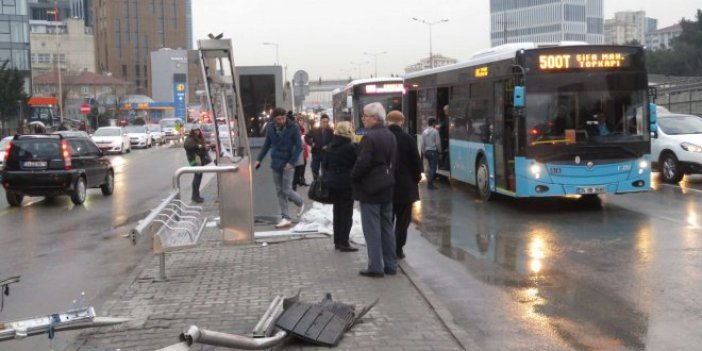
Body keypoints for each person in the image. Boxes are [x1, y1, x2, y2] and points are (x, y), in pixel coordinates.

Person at [351, 102, 398, 278]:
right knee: (387, 227)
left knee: (371, 230)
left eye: (365, 115)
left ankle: (375, 267)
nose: (363, 118)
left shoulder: (369, 137)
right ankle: (391, 264)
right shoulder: (390, 135)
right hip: (387, 187)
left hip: (370, 189)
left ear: (375, 118)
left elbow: (362, 163)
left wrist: (353, 176)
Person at [255, 107, 306, 228]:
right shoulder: (271, 127)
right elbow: (267, 144)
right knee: (279, 191)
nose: (282, 120)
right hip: (276, 163)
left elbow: (299, 147)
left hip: (288, 163)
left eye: (283, 118)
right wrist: (258, 159)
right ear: (274, 119)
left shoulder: (293, 127)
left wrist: (291, 162)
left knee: (286, 190)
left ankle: (300, 201)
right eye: (279, 119)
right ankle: (286, 218)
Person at [386, 111, 422, 259]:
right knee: (403, 221)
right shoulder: (408, 139)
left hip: (386, 187)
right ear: (402, 122)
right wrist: (415, 179)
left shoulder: (383, 138)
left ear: (387, 121)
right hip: (405, 188)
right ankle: (398, 249)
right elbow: (416, 163)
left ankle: (387, 249)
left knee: (387, 220)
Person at [322, 121, 359, 252]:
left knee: (337, 211)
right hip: (346, 184)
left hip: (332, 183)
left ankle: (337, 241)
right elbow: (358, 164)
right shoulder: (351, 147)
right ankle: (344, 242)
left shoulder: (330, 146)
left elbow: (324, 165)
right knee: (346, 213)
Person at [305, 114, 333, 180]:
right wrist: (311, 143)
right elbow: (307, 137)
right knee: (314, 169)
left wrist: (328, 146)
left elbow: (333, 141)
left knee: (325, 170)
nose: (325, 123)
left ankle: (324, 183)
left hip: (326, 153)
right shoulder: (315, 129)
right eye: (324, 122)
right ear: (320, 121)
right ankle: (316, 183)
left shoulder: (330, 131)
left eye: (327, 122)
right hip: (316, 152)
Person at [183, 125, 207, 203]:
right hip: (194, 160)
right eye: (195, 130)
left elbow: (200, 147)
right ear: (192, 131)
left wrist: (204, 147)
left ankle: (196, 195)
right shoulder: (190, 138)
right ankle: (195, 196)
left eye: (198, 130)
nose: (197, 131)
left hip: (199, 160)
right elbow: (186, 145)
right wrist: (198, 146)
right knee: (197, 177)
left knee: (198, 177)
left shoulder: (198, 137)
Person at [422, 118, 441, 190]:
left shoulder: (424, 132)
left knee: (430, 167)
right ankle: (430, 184)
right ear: (433, 123)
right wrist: (440, 151)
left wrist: (424, 152)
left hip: (427, 151)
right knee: (433, 168)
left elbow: (422, 144)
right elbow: (438, 143)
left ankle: (430, 183)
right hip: (433, 151)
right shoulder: (435, 132)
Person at [293, 116, 309, 190]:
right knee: (299, 167)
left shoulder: (302, 129)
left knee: (304, 164)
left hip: (303, 149)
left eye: (302, 121)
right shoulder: (297, 128)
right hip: (299, 150)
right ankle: (298, 181)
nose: (301, 122)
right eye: (300, 120)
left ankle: (301, 179)